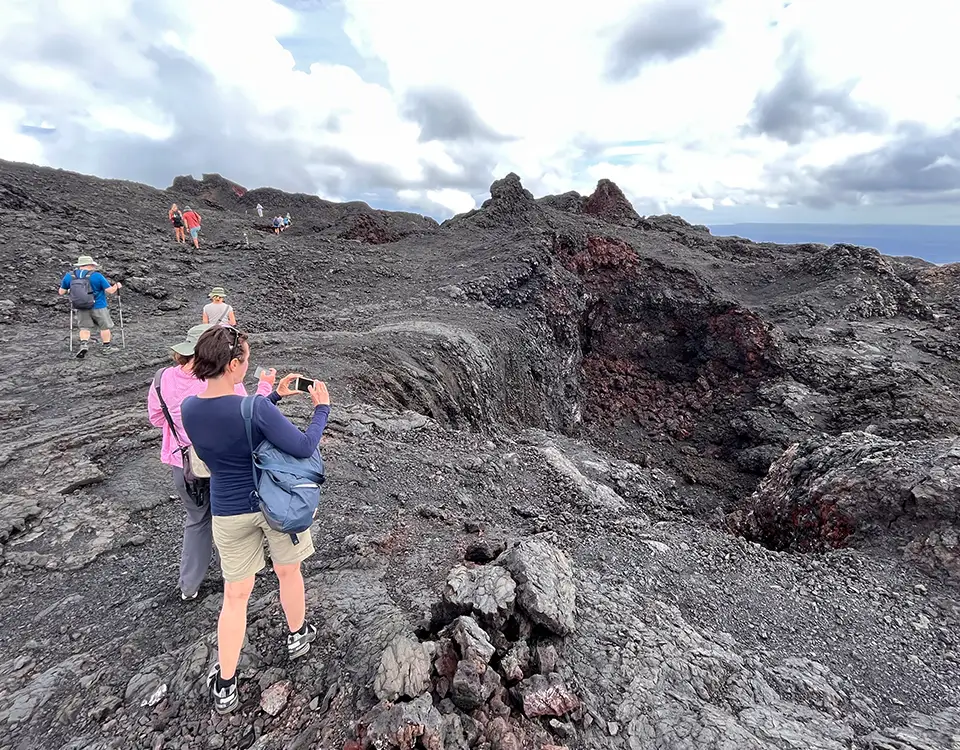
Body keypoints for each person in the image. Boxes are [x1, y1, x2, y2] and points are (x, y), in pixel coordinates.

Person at [181, 326, 330, 714]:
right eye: (245, 359)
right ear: (233, 365)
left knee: (235, 596)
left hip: (228, 512)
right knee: (288, 572)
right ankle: (298, 636)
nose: (247, 365)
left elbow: (236, 431)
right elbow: (302, 445)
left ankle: (226, 683)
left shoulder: (189, 409)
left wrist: (275, 395)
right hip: (274, 505)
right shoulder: (253, 406)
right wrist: (321, 410)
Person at [147, 324, 275, 601]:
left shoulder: (162, 379)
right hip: (223, 464)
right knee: (230, 517)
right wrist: (266, 387)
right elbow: (247, 414)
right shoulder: (222, 380)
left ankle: (189, 586)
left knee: (196, 521)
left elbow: (157, 418)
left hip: (183, 464)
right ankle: (235, 573)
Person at [58, 255, 122, 359]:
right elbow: (110, 291)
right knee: (104, 327)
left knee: (84, 328)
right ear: (90, 265)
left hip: (80, 306)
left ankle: (84, 345)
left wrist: (71, 290)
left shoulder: (70, 276)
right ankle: (106, 348)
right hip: (99, 305)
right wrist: (117, 286)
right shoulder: (97, 276)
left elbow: (61, 292)